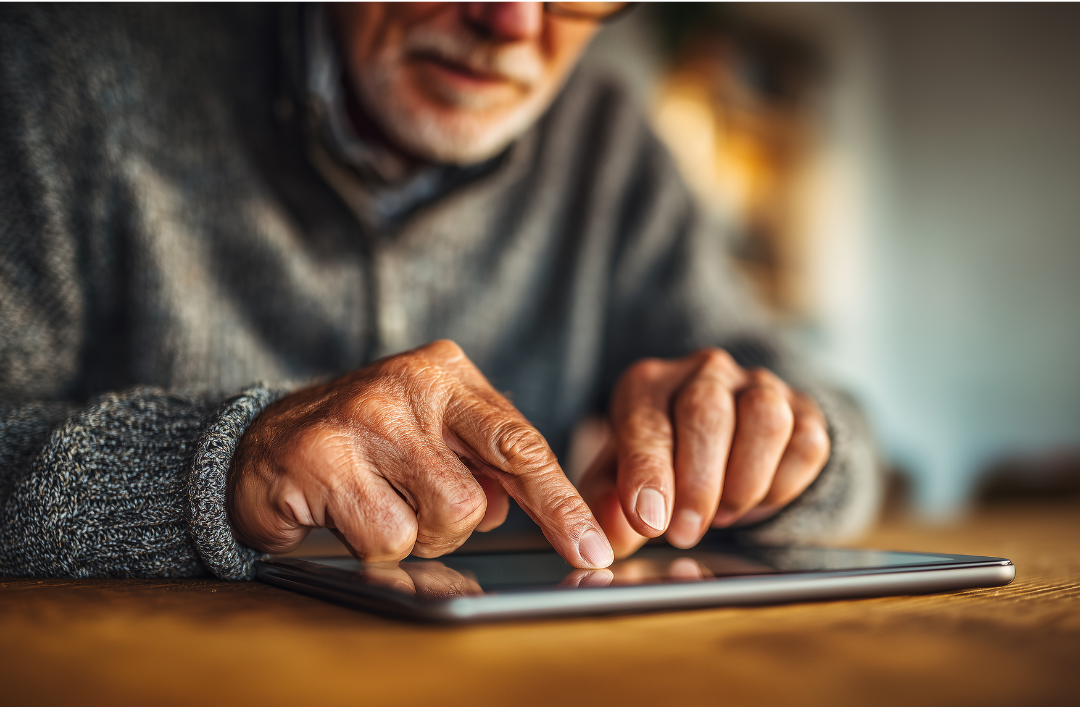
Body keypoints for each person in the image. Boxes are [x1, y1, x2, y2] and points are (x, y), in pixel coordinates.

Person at [0, 1, 879, 580]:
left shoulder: (606, 145)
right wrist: (229, 462)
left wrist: (778, 442)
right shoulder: (64, 66)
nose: (511, 22)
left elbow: (845, 436)